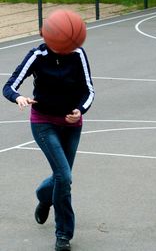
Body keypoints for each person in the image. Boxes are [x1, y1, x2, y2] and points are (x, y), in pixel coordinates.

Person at [2, 34, 95, 251]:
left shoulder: (78, 54)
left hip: (71, 124)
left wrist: (80, 111)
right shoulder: (37, 55)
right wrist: (18, 97)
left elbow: (89, 89)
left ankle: (45, 197)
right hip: (43, 123)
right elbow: (9, 85)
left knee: (61, 178)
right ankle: (63, 234)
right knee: (64, 176)